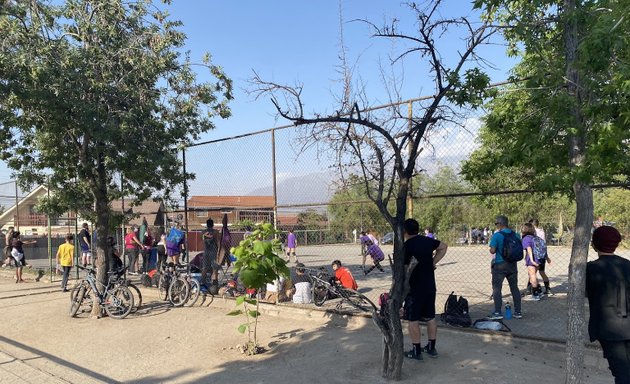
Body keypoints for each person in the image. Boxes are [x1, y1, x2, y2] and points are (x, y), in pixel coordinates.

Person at [586, 226, 630, 383]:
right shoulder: (627, 264)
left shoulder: (591, 268)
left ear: (595, 244)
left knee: (622, 373)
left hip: (609, 329)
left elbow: (585, 292)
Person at [403, 218, 448, 360]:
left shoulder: (407, 246)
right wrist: (432, 262)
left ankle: (416, 350)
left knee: (413, 319)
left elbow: (405, 268)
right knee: (430, 316)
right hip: (429, 286)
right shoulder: (427, 241)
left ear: (405, 231)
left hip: (414, 288)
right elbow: (443, 246)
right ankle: (431, 347)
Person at [488, 215, 522, 320]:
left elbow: (492, 250)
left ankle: (498, 312)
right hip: (512, 265)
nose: (496, 226)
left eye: (496, 223)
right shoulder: (516, 235)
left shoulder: (497, 235)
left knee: (497, 289)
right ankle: (518, 312)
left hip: (499, 265)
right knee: (514, 288)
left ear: (500, 224)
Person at [529, 219, 553, 295]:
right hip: (542, 255)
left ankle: (532, 289)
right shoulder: (542, 232)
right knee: (542, 271)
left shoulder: (531, 233)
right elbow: (544, 245)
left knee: (532, 273)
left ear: (532, 225)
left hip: (534, 255)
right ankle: (547, 288)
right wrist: (546, 256)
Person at [521, 223, 541, 301]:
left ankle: (536, 294)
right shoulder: (535, 237)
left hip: (532, 259)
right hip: (539, 258)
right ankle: (538, 291)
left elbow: (529, 249)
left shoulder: (526, 238)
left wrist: (532, 260)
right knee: (534, 275)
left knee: (532, 276)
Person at [202, 219, 220, 292]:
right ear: (213, 224)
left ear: (207, 224)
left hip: (206, 251)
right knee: (215, 268)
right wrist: (219, 251)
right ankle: (214, 284)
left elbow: (202, 241)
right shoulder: (216, 232)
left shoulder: (203, 232)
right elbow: (218, 241)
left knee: (205, 268)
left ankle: (202, 282)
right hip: (213, 251)